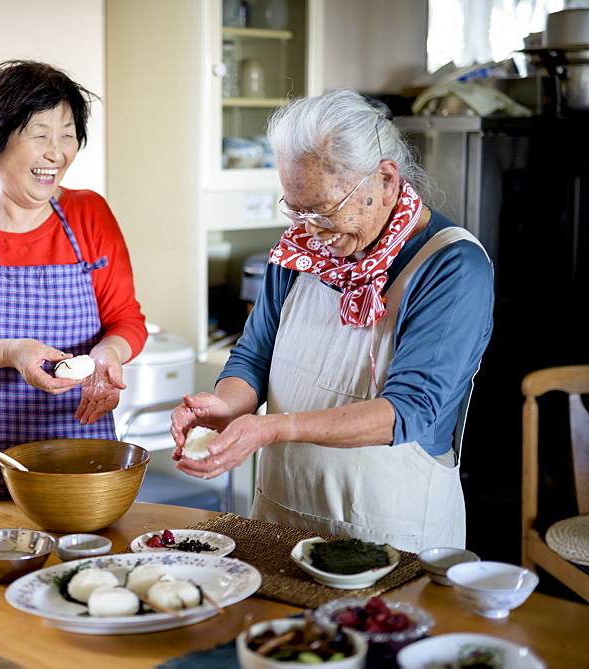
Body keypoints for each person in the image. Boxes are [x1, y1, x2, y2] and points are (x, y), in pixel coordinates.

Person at [170, 89, 494, 552]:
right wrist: (227, 406)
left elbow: (407, 411)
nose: (308, 230)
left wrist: (275, 427)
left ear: (384, 179)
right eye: (295, 209)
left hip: (390, 536)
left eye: (323, 210)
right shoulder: (301, 247)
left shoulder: (451, 267)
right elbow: (254, 355)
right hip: (280, 518)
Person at [0, 60, 147, 505]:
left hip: (77, 448)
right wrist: (12, 353)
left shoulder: (89, 213)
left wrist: (107, 355)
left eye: (68, 134)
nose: (56, 152)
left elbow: (126, 320)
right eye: (39, 133)